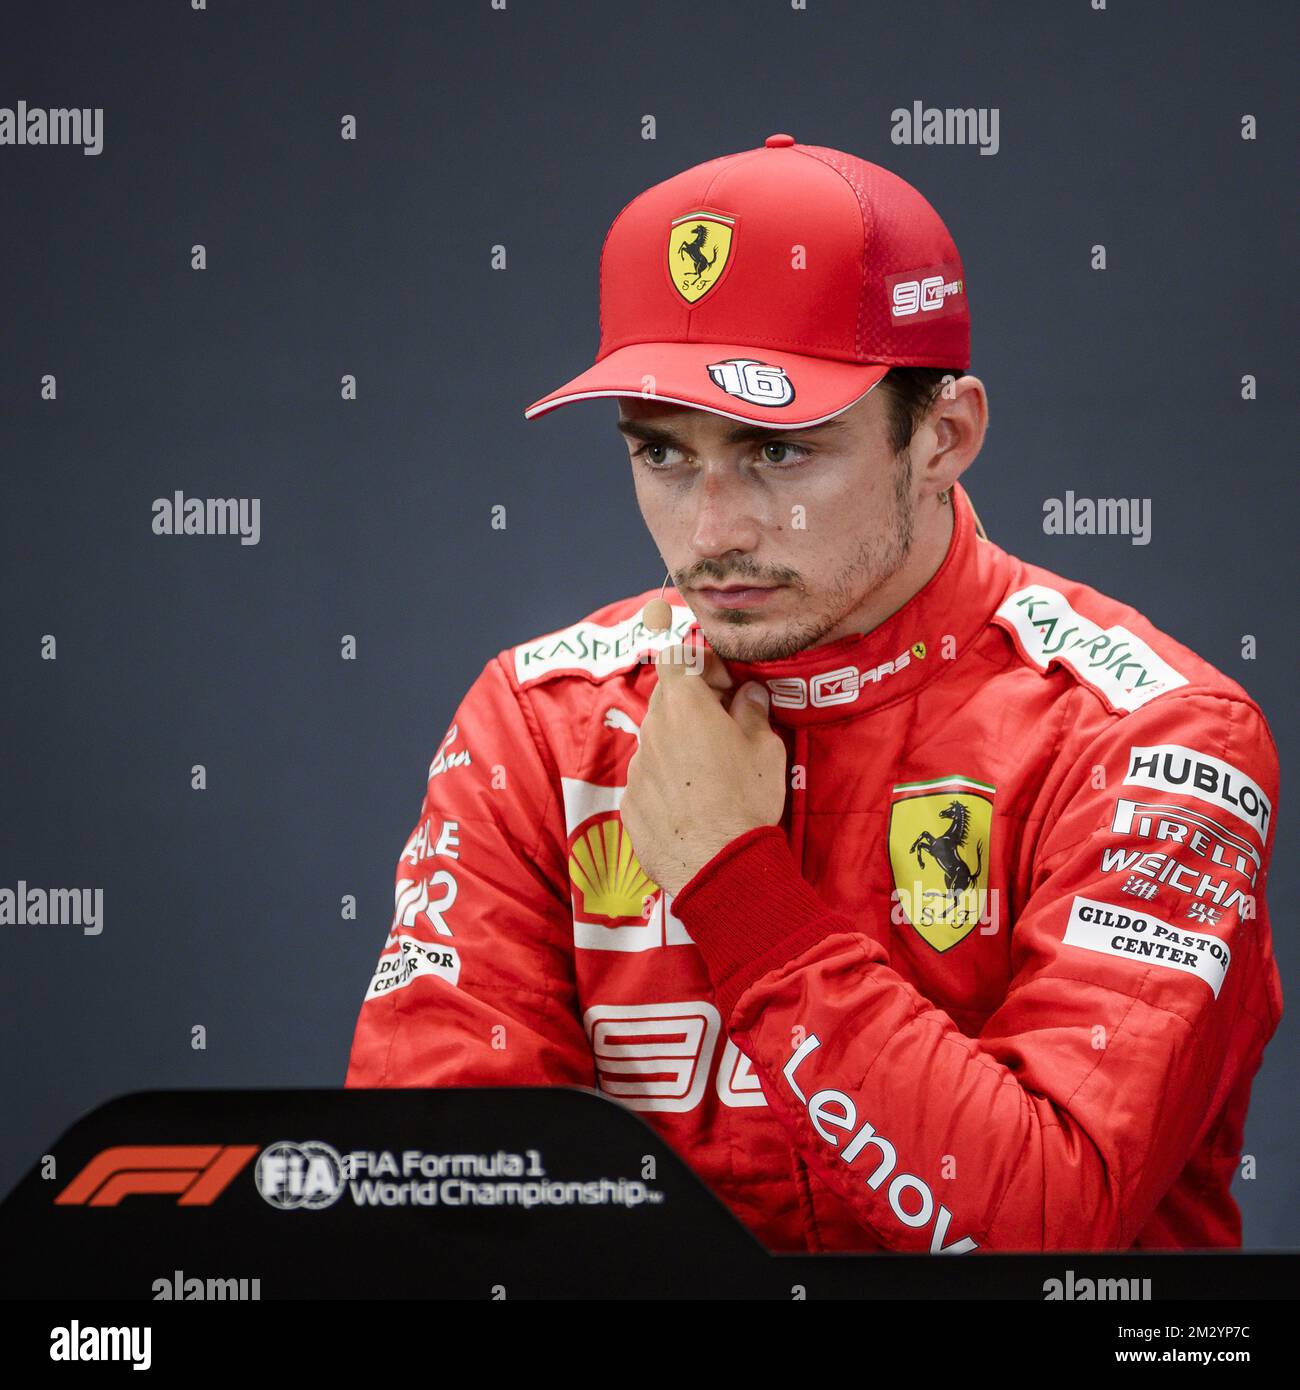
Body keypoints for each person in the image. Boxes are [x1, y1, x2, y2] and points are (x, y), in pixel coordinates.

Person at [346, 135, 1281, 1253]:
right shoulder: (540, 727)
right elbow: (429, 1216)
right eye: (660, 454)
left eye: (777, 453)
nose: (711, 532)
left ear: (942, 437)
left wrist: (737, 887)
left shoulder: (1149, 739)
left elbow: (1040, 1239)